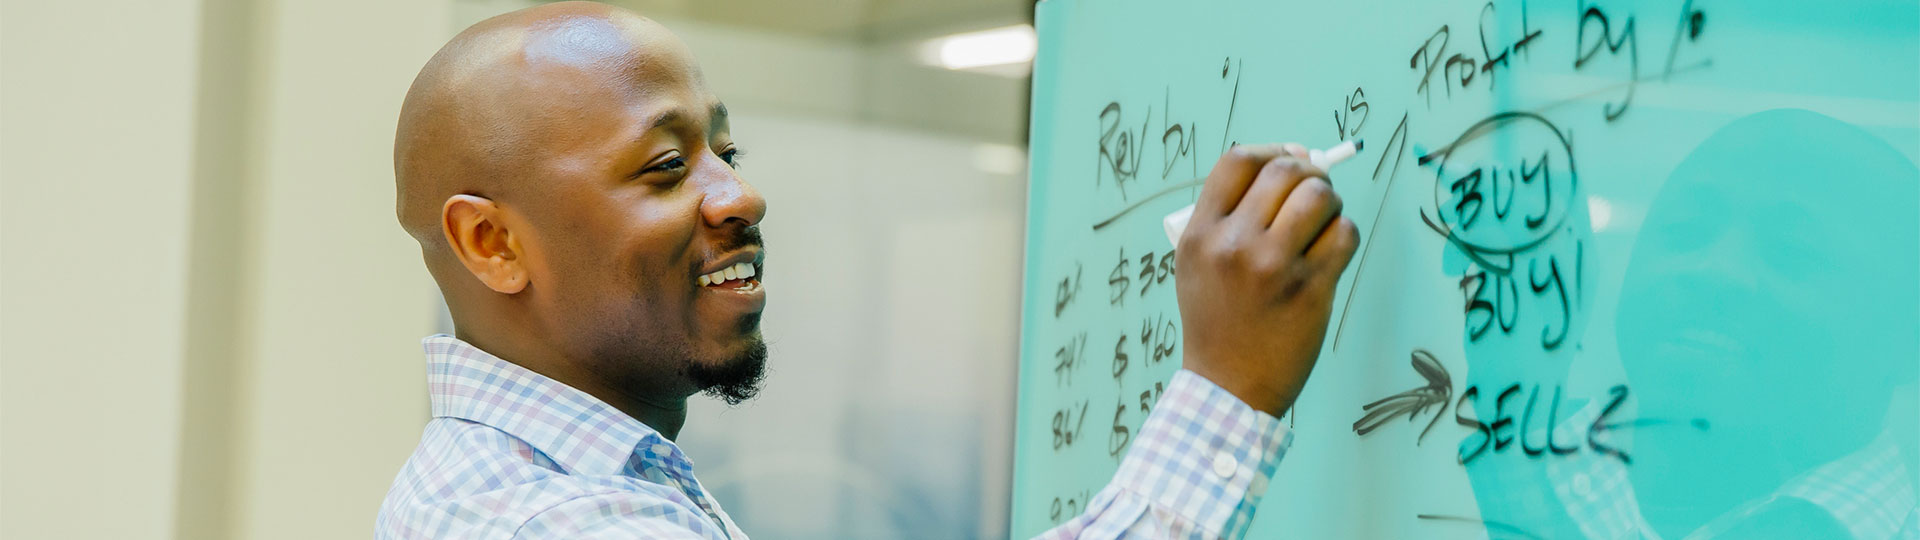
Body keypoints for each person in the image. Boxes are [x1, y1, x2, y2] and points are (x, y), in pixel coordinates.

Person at [376, 2, 1358, 538]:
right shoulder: (548, 520)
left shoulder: (567, 481)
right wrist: (1229, 389)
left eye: (728, 154)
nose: (739, 198)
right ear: (492, 245)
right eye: (668, 167)